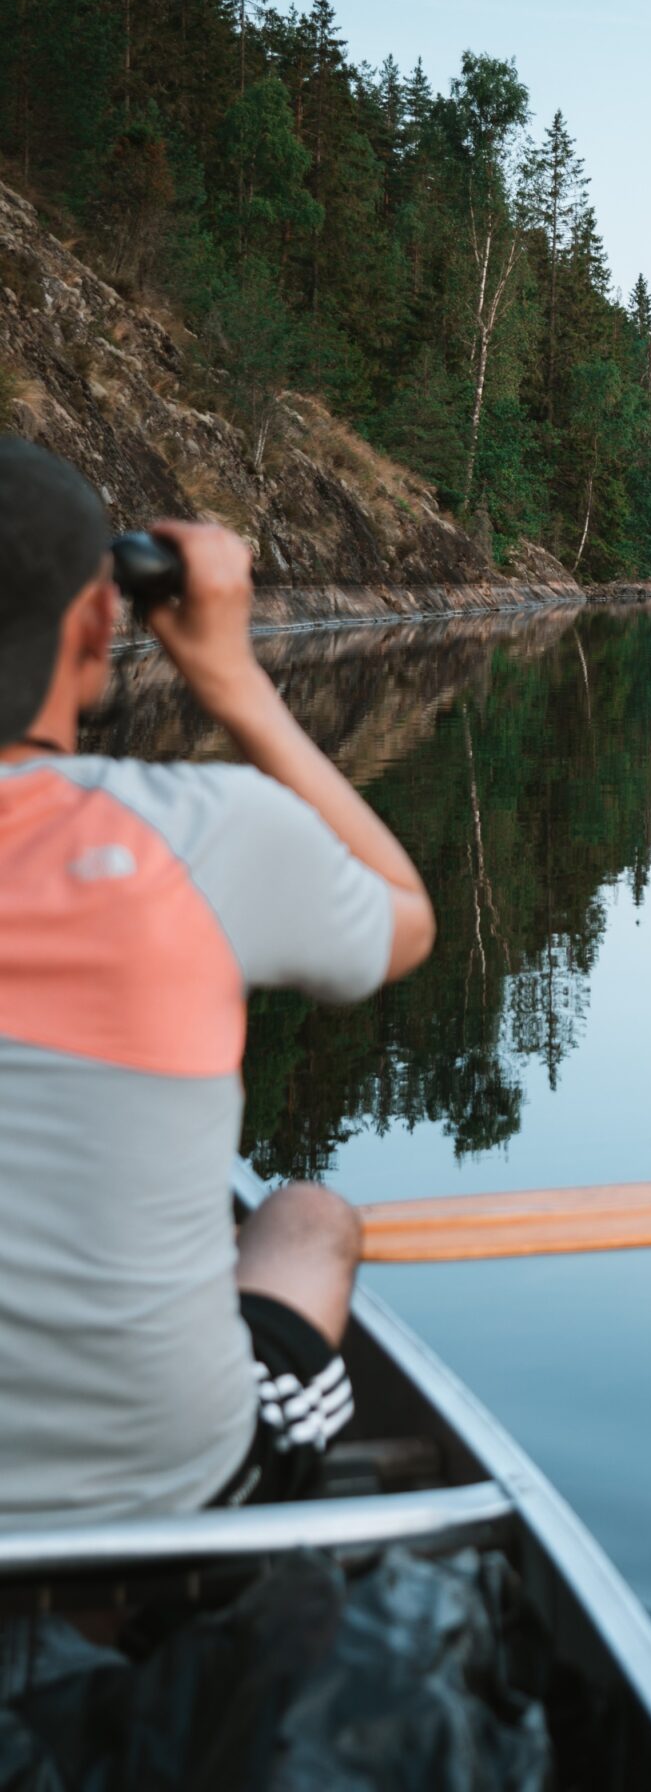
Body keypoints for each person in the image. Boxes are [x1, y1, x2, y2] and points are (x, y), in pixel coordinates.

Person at [0, 437, 435, 1525]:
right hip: (173, 1475)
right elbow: (405, 923)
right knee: (304, 1216)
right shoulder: (197, 835)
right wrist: (232, 678)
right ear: (99, 626)